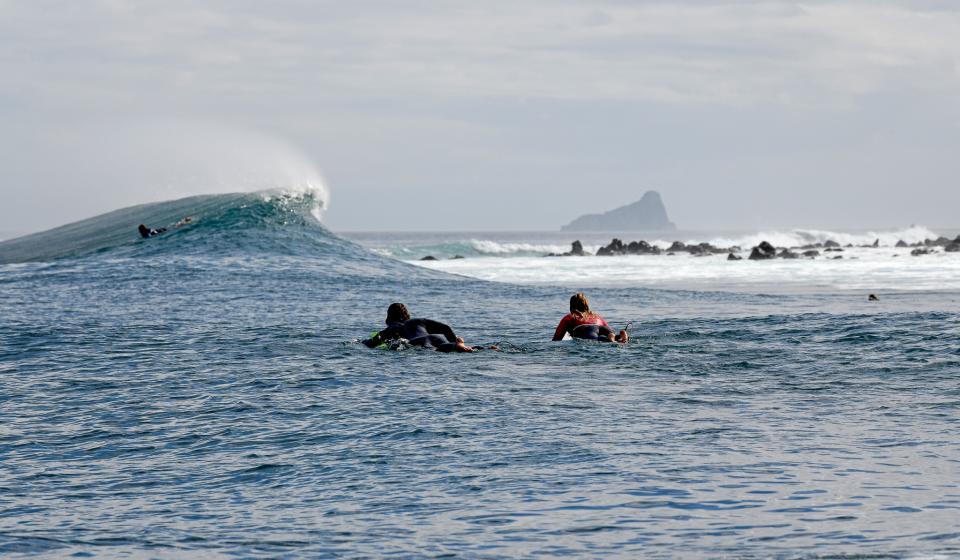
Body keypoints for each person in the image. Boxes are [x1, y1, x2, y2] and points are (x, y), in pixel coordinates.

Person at [364, 303, 477, 352]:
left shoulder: (393, 328)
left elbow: (371, 343)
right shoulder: (417, 321)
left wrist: (361, 342)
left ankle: (458, 347)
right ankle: (462, 346)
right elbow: (445, 328)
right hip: (435, 337)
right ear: (407, 315)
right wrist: (454, 341)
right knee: (445, 347)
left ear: (388, 318)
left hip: (419, 341)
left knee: (435, 350)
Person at [552, 292, 628, 343]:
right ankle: (618, 337)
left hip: (587, 330)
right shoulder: (596, 316)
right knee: (611, 337)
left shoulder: (570, 317)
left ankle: (609, 339)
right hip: (604, 328)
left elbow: (557, 338)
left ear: (571, 306)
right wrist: (611, 333)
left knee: (596, 340)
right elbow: (606, 327)